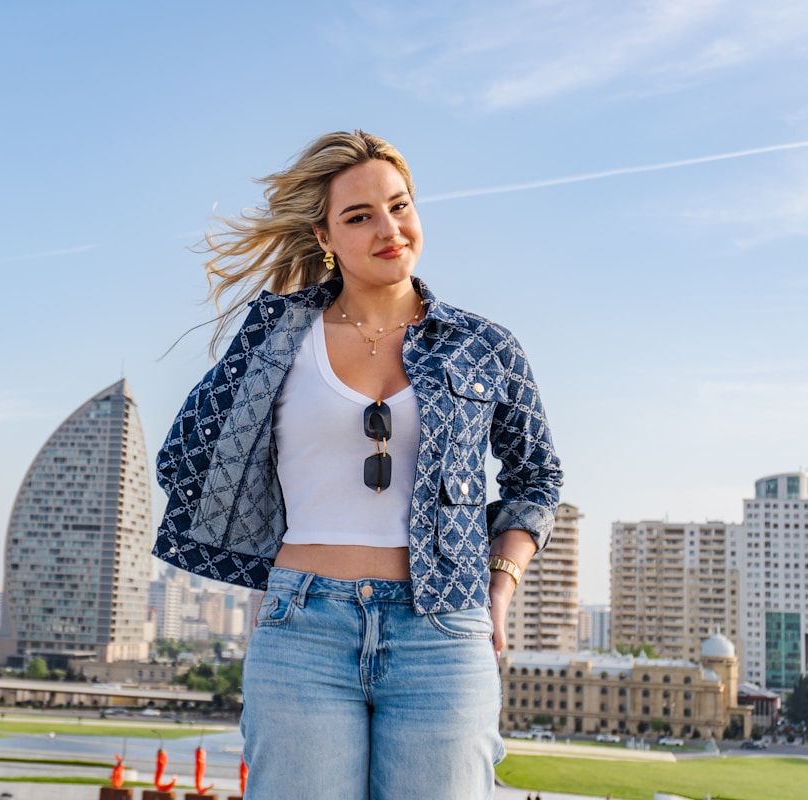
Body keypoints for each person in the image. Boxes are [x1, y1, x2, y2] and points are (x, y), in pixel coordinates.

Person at [155, 131, 562, 799]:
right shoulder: (276, 333)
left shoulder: (484, 347)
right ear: (324, 235)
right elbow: (189, 456)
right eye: (360, 216)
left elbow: (536, 477)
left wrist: (502, 583)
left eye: (400, 207)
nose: (389, 229)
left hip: (444, 629)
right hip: (302, 628)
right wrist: (258, 558)